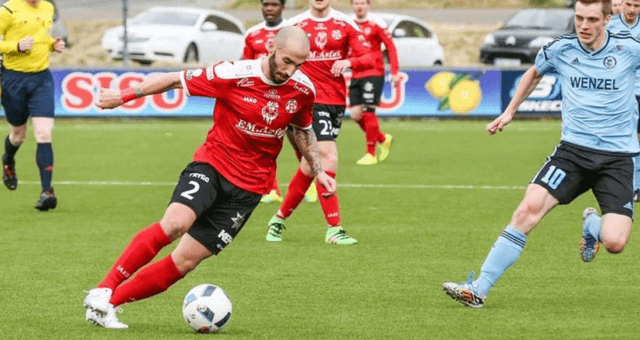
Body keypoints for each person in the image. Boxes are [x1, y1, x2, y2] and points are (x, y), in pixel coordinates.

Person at [83, 26, 336, 329]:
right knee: (175, 223)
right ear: (271, 47)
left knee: (186, 261)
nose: (291, 70)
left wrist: (318, 170)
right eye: (286, 61)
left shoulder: (302, 89)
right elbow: (175, 79)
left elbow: (302, 128)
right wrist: (123, 96)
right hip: (213, 166)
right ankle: (104, 287)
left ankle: (108, 305)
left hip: (250, 188)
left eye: (298, 64)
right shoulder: (233, 74)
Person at [443, 0, 638, 308]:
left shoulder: (629, 48)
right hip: (572, 152)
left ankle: (591, 226)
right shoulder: (561, 49)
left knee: (615, 242)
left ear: (606, 18)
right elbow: (533, 74)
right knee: (527, 211)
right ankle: (477, 289)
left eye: (591, 19)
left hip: (617, 158)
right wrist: (509, 112)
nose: (583, 25)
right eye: (578, 18)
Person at [265, 0, 374, 244]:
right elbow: (272, 57)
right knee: (327, 155)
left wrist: (350, 62)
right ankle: (334, 229)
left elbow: (369, 58)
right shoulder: (295, 25)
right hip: (306, 98)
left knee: (308, 164)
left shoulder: (344, 24)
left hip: (335, 101)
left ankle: (278, 219)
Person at [243, 0, 318, 204]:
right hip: (261, 98)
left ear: (283, 8)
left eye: (274, 4)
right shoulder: (252, 34)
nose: (269, 8)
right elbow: (246, 64)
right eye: (266, 4)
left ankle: (310, 183)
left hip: (288, 96)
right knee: (263, 143)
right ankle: (271, 189)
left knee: (298, 140)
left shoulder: (293, 32)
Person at [0, 0, 66, 211]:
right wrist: (15, 46)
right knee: (17, 135)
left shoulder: (48, 7)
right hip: (12, 79)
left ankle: (47, 191)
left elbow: (41, 39)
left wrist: (52, 45)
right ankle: (8, 159)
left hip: (41, 80)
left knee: (44, 134)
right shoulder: (8, 10)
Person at [349, 0, 399, 165]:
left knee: (369, 111)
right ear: (352, 5)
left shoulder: (377, 23)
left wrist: (394, 71)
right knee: (356, 114)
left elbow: (390, 47)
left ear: (368, 5)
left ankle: (370, 153)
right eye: (356, 3)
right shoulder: (348, 23)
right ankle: (383, 139)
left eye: (362, 3)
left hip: (374, 72)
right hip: (356, 72)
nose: (359, 6)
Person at [607, 0, 640, 201]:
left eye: (637, 5)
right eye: (628, 4)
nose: (632, 9)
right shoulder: (610, 26)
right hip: (622, 92)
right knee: (624, 140)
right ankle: (628, 185)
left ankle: (636, 186)